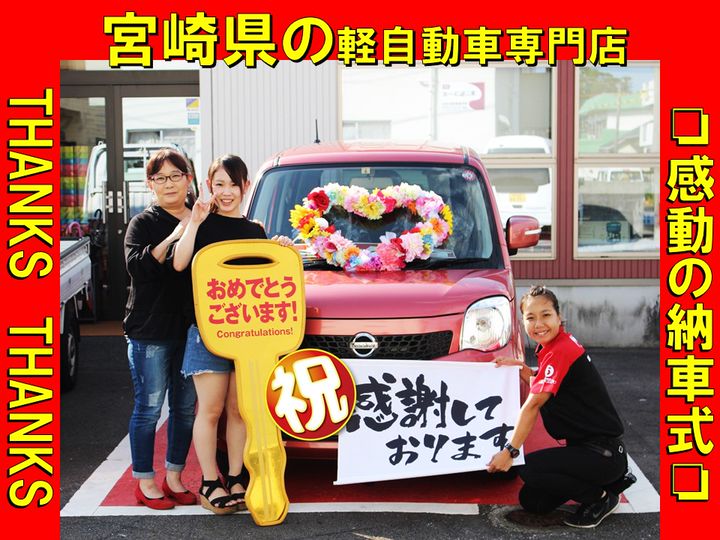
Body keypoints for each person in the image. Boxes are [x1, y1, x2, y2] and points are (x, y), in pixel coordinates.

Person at [172, 154, 293, 514]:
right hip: (207, 332)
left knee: (240, 410)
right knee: (209, 411)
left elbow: (266, 281)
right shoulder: (200, 223)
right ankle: (210, 482)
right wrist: (194, 223)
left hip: (250, 335)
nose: (226, 192)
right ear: (209, 186)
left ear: (245, 187)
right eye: (219, 184)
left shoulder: (255, 231)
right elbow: (179, 263)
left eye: (233, 185)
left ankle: (237, 477)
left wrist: (281, 250)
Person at [487, 285, 634, 529]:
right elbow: (549, 382)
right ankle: (605, 485)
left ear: (559, 316)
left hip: (603, 454)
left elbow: (533, 404)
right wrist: (522, 369)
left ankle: (601, 498)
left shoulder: (561, 350)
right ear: (522, 322)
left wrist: (510, 451)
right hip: (589, 451)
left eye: (546, 315)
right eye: (530, 318)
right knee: (533, 501)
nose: (538, 324)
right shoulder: (556, 346)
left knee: (527, 467)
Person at [124, 148, 198, 510]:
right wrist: (173, 237)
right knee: (149, 408)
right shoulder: (142, 223)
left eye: (175, 176)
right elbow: (138, 269)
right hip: (150, 331)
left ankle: (174, 477)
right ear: (150, 184)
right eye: (160, 178)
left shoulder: (203, 217)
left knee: (185, 408)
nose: (169, 184)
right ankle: (145, 481)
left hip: (193, 331)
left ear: (188, 179)